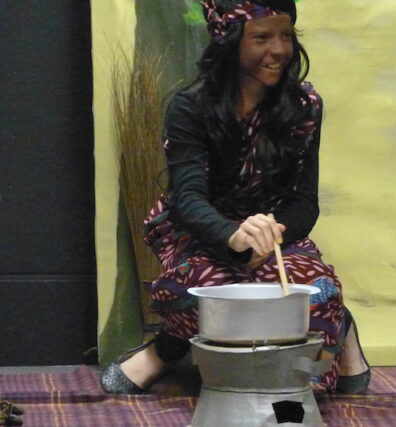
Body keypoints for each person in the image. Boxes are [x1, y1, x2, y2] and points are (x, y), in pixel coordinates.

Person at [100, 0, 369, 395]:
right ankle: (169, 346)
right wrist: (234, 237)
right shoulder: (191, 105)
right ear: (229, 40)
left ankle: (304, 373)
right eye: (262, 37)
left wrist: (270, 234)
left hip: (273, 236)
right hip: (201, 231)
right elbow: (187, 199)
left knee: (313, 292)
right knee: (202, 290)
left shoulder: (305, 106)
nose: (278, 50)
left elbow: (304, 202)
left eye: (286, 36)